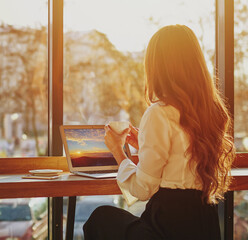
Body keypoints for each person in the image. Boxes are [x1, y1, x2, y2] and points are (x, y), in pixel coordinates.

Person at [83, 24, 235, 240]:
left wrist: (119, 152)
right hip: (205, 225)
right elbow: (179, 162)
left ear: (158, 67)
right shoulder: (212, 113)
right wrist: (144, 144)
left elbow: (144, 189)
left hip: (168, 228)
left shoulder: (159, 113)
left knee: (101, 218)